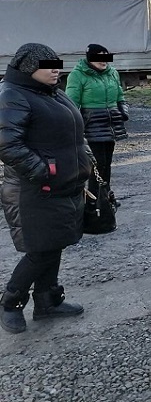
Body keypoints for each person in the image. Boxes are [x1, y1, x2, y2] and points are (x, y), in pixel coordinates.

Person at [0, 43, 91, 334]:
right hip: (34, 190)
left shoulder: (52, 93)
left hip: (61, 186)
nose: (56, 70)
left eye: (57, 64)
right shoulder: (12, 95)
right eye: (47, 65)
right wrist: (44, 171)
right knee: (40, 250)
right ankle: (10, 303)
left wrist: (85, 158)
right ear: (27, 67)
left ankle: (47, 302)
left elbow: (76, 133)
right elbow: (7, 144)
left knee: (55, 242)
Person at [65, 44, 129, 209]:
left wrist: (123, 111)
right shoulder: (78, 75)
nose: (103, 61)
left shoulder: (112, 73)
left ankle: (105, 196)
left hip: (111, 126)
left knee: (106, 164)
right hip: (92, 127)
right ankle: (94, 203)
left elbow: (120, 96)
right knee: (96, 166)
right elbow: (71, 104)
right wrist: (74, 127)